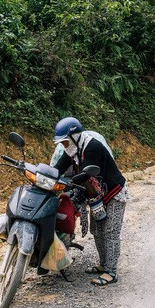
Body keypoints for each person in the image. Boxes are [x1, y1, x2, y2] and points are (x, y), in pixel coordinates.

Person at [52, 117, 129, 286]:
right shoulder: (73, 151)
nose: (64, 146)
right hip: (96, 194)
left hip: (114, 192)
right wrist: (46, 178)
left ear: (75, 137)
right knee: (97, 229)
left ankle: (111, 271)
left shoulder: (92, 147)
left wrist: (68, 186)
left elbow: (85, 174)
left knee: (110, 232)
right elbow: (57, 169)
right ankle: (103, 264)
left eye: (65, 142)